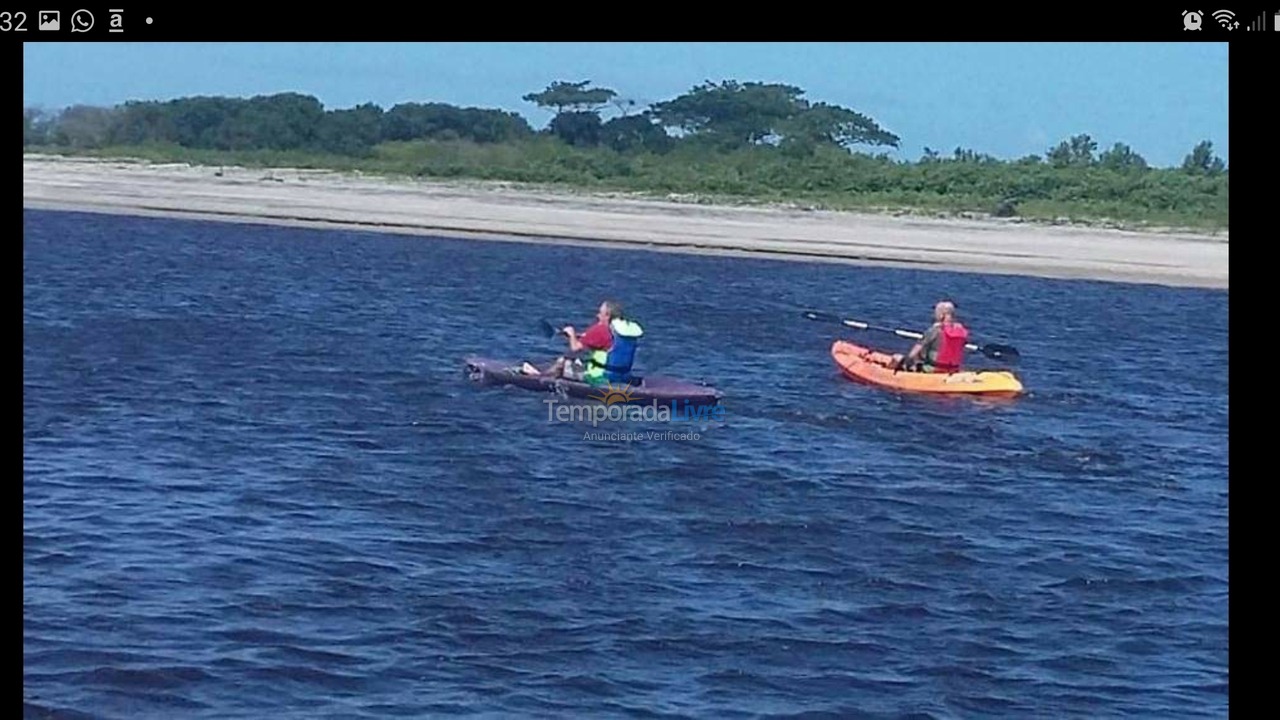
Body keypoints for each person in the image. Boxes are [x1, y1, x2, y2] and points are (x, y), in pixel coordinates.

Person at [521, 300, 644, 385]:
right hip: (622, 377)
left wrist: (571, 333)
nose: (597, 315)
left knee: (564, 361)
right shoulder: (624, 331)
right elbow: (603, 342)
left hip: (600, 378)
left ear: (607, 315)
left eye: (600, 313)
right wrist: (577, 335)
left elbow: (575, 348)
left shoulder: (600, 329)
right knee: (581, 362)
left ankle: (538, 376)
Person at [891, 300, 969, 373]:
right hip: (953, 369)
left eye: (936, 312)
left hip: (933, 368)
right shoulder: (961, 331)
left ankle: (891, 374)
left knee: (896, 357)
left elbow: (913, 353)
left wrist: (905, 362)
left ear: (941, 315)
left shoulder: (934, 330)